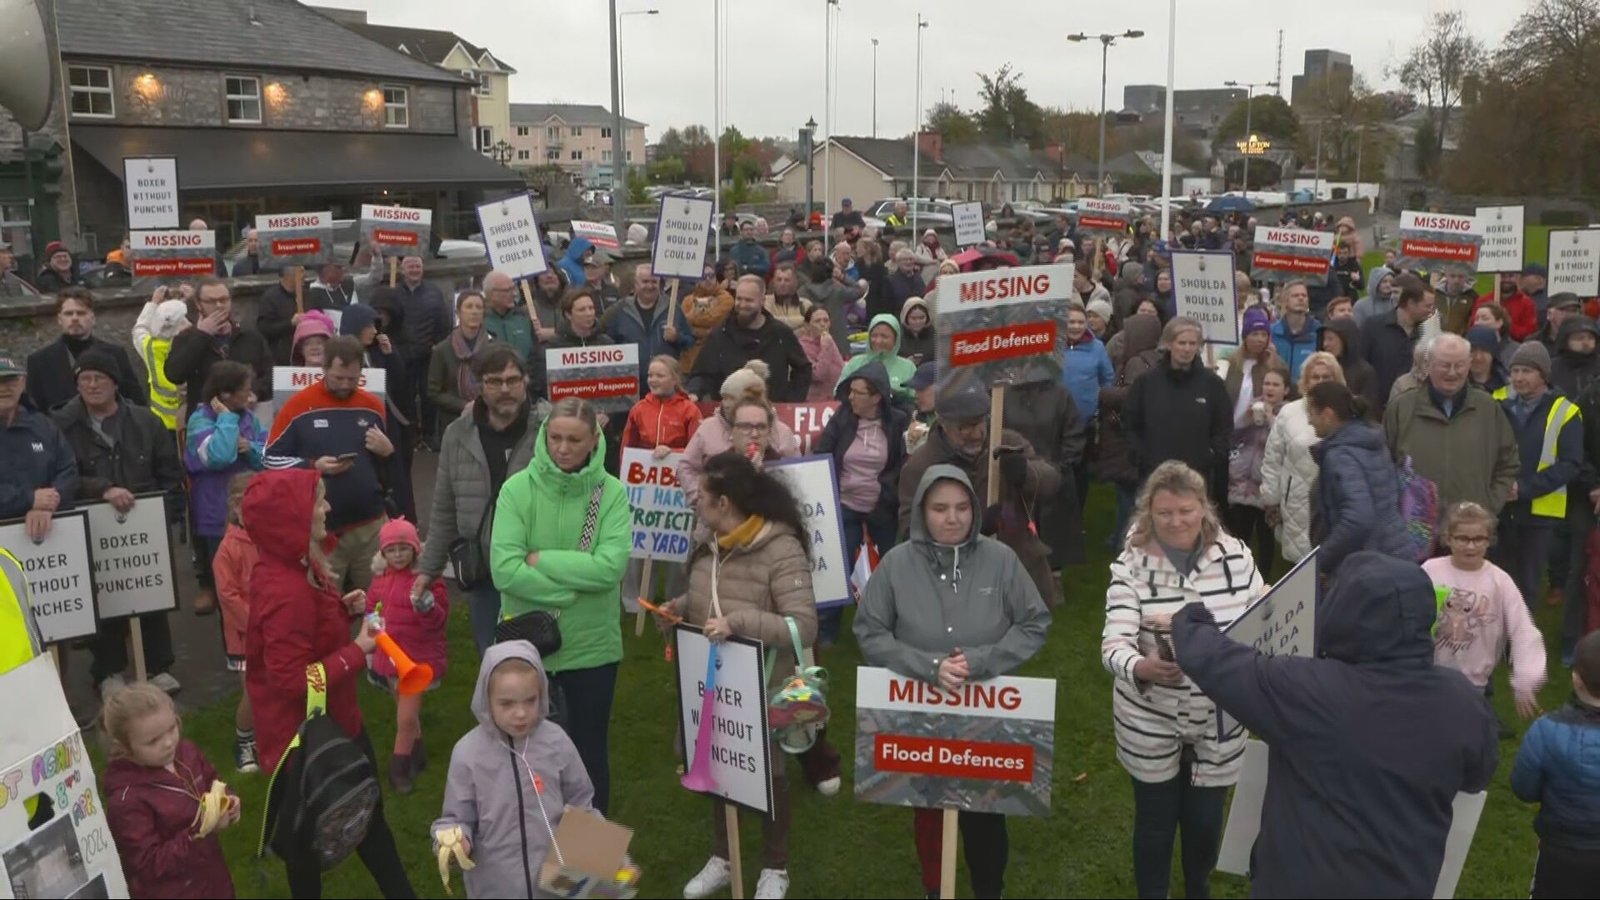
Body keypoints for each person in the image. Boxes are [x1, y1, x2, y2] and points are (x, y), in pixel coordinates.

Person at [1169, 551, 1499, 898]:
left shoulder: (1304, 690)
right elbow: (1477, 774)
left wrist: (1191, 617)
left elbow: (1214, 661)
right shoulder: (1464, 702)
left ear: (1344, 612)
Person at [855, 465, 1050, 900]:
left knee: (986, 810)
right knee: (928, 810)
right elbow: (869, 630)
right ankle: (935, 889)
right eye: (940, 508)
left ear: (975, 510)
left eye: (962, 507)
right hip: (919, 708)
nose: (952, 517)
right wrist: (927, 666)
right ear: (922, 510)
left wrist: (980, 661)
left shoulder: (1001, 560)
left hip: (986, 711)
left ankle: (988, 890)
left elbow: (1034, 622)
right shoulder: (897, 563)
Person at [243, 469, 414, 898]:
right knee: (330, 833)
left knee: (343, 828)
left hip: (322, 729)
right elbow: (289, 678)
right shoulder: (288, 591)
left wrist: (339, 610)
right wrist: (359, 649)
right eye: (318, 501)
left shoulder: (289, 566)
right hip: (311, 741)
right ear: (290, 518)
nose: (328, 508)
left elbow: (301, 638)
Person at [1101, 460, 1264, 900]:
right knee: (1154, 823)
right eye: (1165, 513)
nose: (1176, 521)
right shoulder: (1130, 566)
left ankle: (1198, 889)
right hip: (1150, 719)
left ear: (1204, 508)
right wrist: (1140, 667)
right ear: (1148, 513)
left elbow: (1264, 612)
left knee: (1205, 823)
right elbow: (1113, 643)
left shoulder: (1237, 556)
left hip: (1218, 717)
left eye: (1186, 511)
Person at [668, 452, 820, 900]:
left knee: (769, 777)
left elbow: (803, 626)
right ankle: (724, 854)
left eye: (703, 497)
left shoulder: (781, 548)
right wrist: (678, 611)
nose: (695, 501)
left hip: (764, 683)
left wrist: (740, 621)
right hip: (711, 681)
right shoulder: (707, 540)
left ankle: (775, 866)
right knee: (717, 764)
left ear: (724, 502)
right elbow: (702, 596)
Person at [490, 397, 631, 814]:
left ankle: (589, 863)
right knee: (526, 754)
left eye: (574, 440)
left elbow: (610, 568)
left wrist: (541, 560)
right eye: (555, 438)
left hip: (593, 649)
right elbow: (504, 570)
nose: (563, 448)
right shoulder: (517, 489)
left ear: (593, 441)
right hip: (530, 648)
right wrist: (568, 591)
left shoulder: (612, 494)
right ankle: (537, 848)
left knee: (589, 756)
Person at [54, 348, 184, 696]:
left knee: (150, 593)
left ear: (114, 383)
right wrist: (103, 489)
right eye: (84, 379)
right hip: (92, 525)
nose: (92, 385)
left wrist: (167, 516)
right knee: (104, 596)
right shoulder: (62, 425)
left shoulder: (147, 421)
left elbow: (169, 473)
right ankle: (109, 670)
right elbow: (63, 475)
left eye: (99, 378)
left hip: (145, 525)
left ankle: (158, 666)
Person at [432, 641, 597, 899]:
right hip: (496, 886)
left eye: (530, 701)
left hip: (558, 884)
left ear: (542, 695)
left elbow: (580, 797)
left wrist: (589, 850)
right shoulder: (467, 754)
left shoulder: (556, 741)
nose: (520, 713)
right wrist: (456, 841)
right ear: (487, 700)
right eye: (507, 704)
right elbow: (456, 817)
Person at [417, 346, 545, 655]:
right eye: (494, 381)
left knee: (542, 660)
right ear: (478, 386)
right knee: (493, 659)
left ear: (526, 381)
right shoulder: (457, 435)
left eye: (513, 380)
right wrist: (428, 570)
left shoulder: (549, 430)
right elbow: (444, 508)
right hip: (483, 570)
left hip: (537, 569)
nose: (505, 389)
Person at [899, 381, 1062, 606]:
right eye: (965, 427)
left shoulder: (1007, 442)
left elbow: (1051, 482)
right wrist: (968, 527)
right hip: (959, 585)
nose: (976, 433)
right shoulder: (920, 466)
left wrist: (1026, 473)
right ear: (943, 423)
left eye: (981, 422)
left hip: (1019, 572)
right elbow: (910, 529)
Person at [265, 336, 396, 590]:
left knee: (381, 607)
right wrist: (312, 466)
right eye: (338, 378)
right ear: (324, 369)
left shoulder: (372, 406)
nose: (346, 384)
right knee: (327, 610)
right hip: (322, 531)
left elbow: (387, 465)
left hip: (370, 525)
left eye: (353, 378)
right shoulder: (298, 406)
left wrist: (389, 451)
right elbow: (270, 459)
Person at [102, 683, 239, 900]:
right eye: (153, 741)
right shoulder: (126, 801)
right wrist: (199, 832)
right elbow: (149, 865)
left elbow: (213, 780)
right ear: (125, 747)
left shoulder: (186, 752)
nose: (168, 743)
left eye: (172, 728)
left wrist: (228, 803)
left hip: (211, 878)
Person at [1425, 501, 1547, 722]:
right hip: (1429, 676)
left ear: (1489, 539)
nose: (1470, 546)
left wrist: (1525, 679)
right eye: (1462, 538)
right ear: (1448, 538)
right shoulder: (1430, 570)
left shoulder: (1499, 581)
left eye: (1478, 539)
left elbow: (1523, 630)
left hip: (1475, 682)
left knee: (1469, 738)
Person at [816, 361, 908, 641]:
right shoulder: (842, 418)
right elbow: (823, 453)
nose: (851, 397)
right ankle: (828, 629)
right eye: (851, 391)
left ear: (877, 396)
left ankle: (882, 628)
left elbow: (901, 464)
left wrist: (887, 496)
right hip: (845, 505)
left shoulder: (898, 422)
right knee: (838, 567)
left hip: (882, 507)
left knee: (886, 571)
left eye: (858, 393)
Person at [1385, 333, 1520, 515]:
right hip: (1414, 529)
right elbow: (1383, 464)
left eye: (1460, 365)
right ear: (1428, 365)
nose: (1452, 372)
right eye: (1445, 365)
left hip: (1472, 530)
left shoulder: (1488, 408)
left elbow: (1508, 463)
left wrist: (1488, 506)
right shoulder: (1402, 408)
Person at [1492, 341, 1583, 610]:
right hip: (1498, 506)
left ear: (1543, 375)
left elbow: (1570, 464)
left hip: (1540, 513)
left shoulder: (1565, 411)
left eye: (1526, 371)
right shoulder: (1494, 401)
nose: (1519, 378)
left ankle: (1522, 646)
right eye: (1515, 371)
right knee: (1497, 579)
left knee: (1527, 584)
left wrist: (1524, 488)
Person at [1510, 630, 1600, 898]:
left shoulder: (1545, 731)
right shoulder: (1547, 731)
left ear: (1576, 679)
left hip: (1559, 851)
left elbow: (1523, 788)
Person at [365, 518, 447, 793]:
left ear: (415, 549)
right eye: (392, 550)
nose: (398, 555)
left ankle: (398, 768)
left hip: (417, 658)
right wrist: (371, 619)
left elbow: (439, 621)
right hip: (390, 659)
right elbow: (371, 609)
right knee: (403, 708)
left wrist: (427, 608)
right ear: (383, 553)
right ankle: (418, 753)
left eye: (404, 548)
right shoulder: (379, 581)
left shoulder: (427, 580)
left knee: (406, 718)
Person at [620, 355, 702, 612]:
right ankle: (634, 603)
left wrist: (673, 450)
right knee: (638, 544)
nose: (653, 380)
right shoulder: (638, 409)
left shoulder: (690, 410)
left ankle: (674, 602)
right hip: (645, 489)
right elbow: (627, 445)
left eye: (660, 375)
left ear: (675, 379)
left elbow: (697, 449)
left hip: (677, 491)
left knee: (679, 545)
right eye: (650, 375)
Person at [1305, 381, 1412, 576]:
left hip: (1366, 567)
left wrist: (1321, 561)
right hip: (1394, 552)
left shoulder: (1340, 455)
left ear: (1327, 414)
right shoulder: (1372, 441)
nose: (1309, 421)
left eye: (1311, 413)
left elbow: (1358, 519)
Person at [1125, 317, 1232, 503]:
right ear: (1169, 343)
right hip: (1155, 473)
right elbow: (1130, 423)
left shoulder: (1212, 384)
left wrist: (1210, 455)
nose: (1187, 348)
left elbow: (1223, 426)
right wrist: (1141, 455)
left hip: (1197, 476)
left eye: (1192, 343)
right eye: (1182, 342)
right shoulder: (1146, 382)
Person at [678, 363, 801, 504]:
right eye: (724, 397)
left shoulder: (782, 433)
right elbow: (685, 466)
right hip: (713, 519)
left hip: (768, 514)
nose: (726, 403)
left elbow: (798, 473)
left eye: (731, 397)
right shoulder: (707, 428)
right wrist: (699, 498)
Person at [1095, 315, 1164, 547]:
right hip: (1141, 438)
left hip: (1124, 440)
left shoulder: (1137, 362)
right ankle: (1118, 536)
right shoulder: (1156, 359)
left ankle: (1123, 543)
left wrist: (1103, 393)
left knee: (1129, 497)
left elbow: (1131, 395)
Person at [688, 275, 813, 403]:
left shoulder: (781, 333)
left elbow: (803, 369)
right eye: (739, 299)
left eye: (748, 300)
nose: (742, 305)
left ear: (762, 301)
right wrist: (694, 392)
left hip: (772, 414)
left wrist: (791, 401)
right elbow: (701, 374)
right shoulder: (720, 335)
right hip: (729, 415)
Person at [26, 287, 147, 413]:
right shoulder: (39, 361)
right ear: (59, 319)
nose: (74, 318)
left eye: (81, 313)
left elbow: (136, 402)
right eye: (68, 313)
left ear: (92, 318)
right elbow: (34, 411)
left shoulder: (115, 354)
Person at [211, 471, 260, 772]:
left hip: (273, 628)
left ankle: (270, 737)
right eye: (247, 504)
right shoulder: (228, 549)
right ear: (235, 507)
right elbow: (228, 597)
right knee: (253, 691)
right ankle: (244, 742)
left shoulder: (269, 535)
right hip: (244, 637)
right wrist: (257, 623)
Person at [165, 278, 274, 412]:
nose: (219, 305)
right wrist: (202, 335)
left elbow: (271, 375)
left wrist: (255, 392)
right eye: (211, 301)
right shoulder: (187, 337)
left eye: (223, 300)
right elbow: (174, 375)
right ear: (198, 304)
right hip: (204, 421)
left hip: (246, 417)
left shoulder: (250, 337)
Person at [1227, 361, 1289, 573]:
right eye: (1267, 384)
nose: (1269, 388)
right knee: (1239, 536)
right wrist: (1244, 419)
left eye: (1275, 385)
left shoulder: (1288, 415)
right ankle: (1237, 575)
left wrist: (1272, 419)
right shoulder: (1252, 406)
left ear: (1286, 390)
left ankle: (1262, 579)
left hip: (1267, 488)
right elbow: (1234, 439)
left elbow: (1286, 443)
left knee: (1265, 539)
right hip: (1242, 484)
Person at [393, 255, 452, 446]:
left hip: (429, 354)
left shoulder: (434, 292)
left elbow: (444, 321)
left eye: (417, 266)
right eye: (410, 267)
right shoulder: (394, 293)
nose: (414, 270)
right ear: (402, 270)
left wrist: (439, 344)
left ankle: (428, 436)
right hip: (403, 355)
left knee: (429, 396)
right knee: (406, 397)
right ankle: (411, 437)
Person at [1363, 274, 1437, 412]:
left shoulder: (1430, 332)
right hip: (1376, 410)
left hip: (1416, 410)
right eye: (1427, 306)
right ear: (1411, 304)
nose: (1431, 310)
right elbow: (1361, 365)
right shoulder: (1373, 327)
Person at [605, 264, 694, 375]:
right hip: (632, 380)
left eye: (654, 282)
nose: (650, 286)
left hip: (665, 380)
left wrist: (677, 337)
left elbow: (690, 341)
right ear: (636, 284)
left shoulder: (672, 307)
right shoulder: (620, 310)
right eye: (645, 282)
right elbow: (606, 341)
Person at [131, 289, 192, 433]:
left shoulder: (150, 347)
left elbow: (139, 329)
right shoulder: (193, 345)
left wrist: (153, 303)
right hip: (191, 421)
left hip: (160, 424)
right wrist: (193, 300)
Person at [427, 289, 494, 421]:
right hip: (454, 418)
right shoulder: (443, 349)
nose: (474, 311)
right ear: (458, 313)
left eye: (479, 307)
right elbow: (433, 392)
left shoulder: (493, 346)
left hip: (489, 416)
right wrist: (464, 406)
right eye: (469, 307)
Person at [256, 268, 325, 364]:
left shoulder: (310, 295)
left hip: (309, 359)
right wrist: (290, 323)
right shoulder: (270, 298)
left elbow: (322, 320)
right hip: (283, 359)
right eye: (301, 271)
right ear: (288, 275)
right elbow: (265, 328)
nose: (305, 275)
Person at [1317, 315, 1378, 412]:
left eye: (1330, 339)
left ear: (1345, 340)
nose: (1325, 344)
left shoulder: (1364, 372)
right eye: (1324, 339)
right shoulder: (1321, 368)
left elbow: (1370, 410)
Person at [681, 263, 736, 372]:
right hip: (690, 361)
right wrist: (705, 331)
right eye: (703, 277)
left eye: (711, 275)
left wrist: (692, 320)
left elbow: (713, 319)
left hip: (716, 358)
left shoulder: (726, 298)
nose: (708, 279)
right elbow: (682, 326)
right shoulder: (687, 300)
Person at [1268, 283, 1319, 381]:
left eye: (1304, 295)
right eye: (1295, 295)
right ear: (1285, 301)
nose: (1301, 298)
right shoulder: (1272, 332)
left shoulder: (1318, 332)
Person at [481, 270, 535, 362]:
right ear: (491, 293)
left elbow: (536, 355)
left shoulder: (524, 317)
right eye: (506, 290)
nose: (513, 294)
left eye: (513, 289)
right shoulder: (479, 321)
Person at [796, 304, 845, 401]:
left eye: (826, 320)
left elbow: (841, 368)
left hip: (834, 398)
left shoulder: (828, 340)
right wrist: (825, 348)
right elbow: (817, 375)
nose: (822, 324)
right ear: (807, 325)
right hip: (814, 401)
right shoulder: (802, 346)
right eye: (817, 321)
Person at [1473, 271, 1538, 342]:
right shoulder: (1483, 301)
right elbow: (1473, 325)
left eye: (1510, 276)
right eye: (1503, 276)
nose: (1506, 279)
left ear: (1516, 278)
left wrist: (1505, 325)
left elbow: (1530, 332)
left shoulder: (1527, 303)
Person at [1550, 313, 1600, 401]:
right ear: (1566, 340)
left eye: (1590, 338)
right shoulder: (1551, 368)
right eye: (1579, 338)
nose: (1586, 343)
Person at [762, 262, 813, 330]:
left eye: (787, 280)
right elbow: (769, 322)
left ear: (795, 282)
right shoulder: (765, 301)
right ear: (774, 282)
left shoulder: (805, 305)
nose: (782, 283)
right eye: (779, 280)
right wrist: (802, 320)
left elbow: (812, 325)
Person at [1467, 325, 1510, 394]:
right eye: (1473, 350)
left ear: (1494, 353)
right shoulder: (1455, 384)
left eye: (1484, 350)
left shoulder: (1508, 385)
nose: (1478, 357)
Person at [897, 297, 935, 367]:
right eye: (913, 318)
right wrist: (905, 363)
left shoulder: (935, 335)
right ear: (905, 318)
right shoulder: (897, 336)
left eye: (921, 318)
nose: (918, 322)